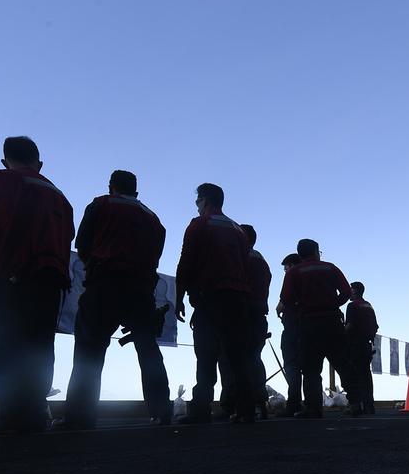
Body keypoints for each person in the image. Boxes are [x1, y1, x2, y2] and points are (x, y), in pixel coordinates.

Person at [0, 136, 75, 434]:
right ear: (39, 163)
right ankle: (36, 412)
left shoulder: (0, 179)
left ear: (5, 160)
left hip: (9, 276)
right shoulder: (60, 196)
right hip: (51, 280)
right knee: (40, 346)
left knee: (3, 345)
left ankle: (12, 417)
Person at [62, 170, 172, 429]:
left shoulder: (100, 204)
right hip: (140, 289)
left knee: (89, 350)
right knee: (148, 349)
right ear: (136, 191)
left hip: (104, 284)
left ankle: (80, 416)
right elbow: (155, 255)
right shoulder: (153, 219)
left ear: (111, 187)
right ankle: (161, 410)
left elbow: (83, 243)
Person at [175, 183, 254, 424]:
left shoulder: (199, 224)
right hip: (237, 300)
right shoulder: (238, 230)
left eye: (198, 202)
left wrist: (178, 296)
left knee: (206, 355)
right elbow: (246, 266)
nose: (197, 207)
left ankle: (200, 409)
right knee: (238, 357)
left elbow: (186, 261)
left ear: (206, 201)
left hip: (210, 299)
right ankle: (246, 410)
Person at [277, 239, 353, 419]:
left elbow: (286, 299)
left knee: (311, 368)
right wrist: (334, 304)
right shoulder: (330, 268)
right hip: (332, 320)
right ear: (317, 252)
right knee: (343, 363)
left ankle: (313, 407)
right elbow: (346, 292)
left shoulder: (294, 272)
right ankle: (357, 402)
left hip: (309, 323)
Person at [240, 224, 272, 419]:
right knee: (254, 359)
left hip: (241, 313)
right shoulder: (261, 260)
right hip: (259, 314)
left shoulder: (241, 257)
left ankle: (237, 406)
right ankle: (261, 402)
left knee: (234, 360)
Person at [344, 281, 378, 415]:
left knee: (355, 375)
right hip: (366, 344)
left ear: (354, 291)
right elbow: (375, 326)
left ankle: (357, 406)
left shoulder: (352, 306)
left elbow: (350, 326)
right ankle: (369, 405)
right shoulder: (368, 306)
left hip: (354, 344)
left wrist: (340, 335)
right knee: (366, 375)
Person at [277, 253, 302, 415]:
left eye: (286, 267)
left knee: (292, 367)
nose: (285, 270)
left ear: (292, 265)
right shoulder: (312, 278)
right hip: (309, 327)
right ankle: (313, 404)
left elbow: (283, 301)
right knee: (310, 369)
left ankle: (293, 404)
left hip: (292, 328)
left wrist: (279, 309)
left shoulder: (292, 277)